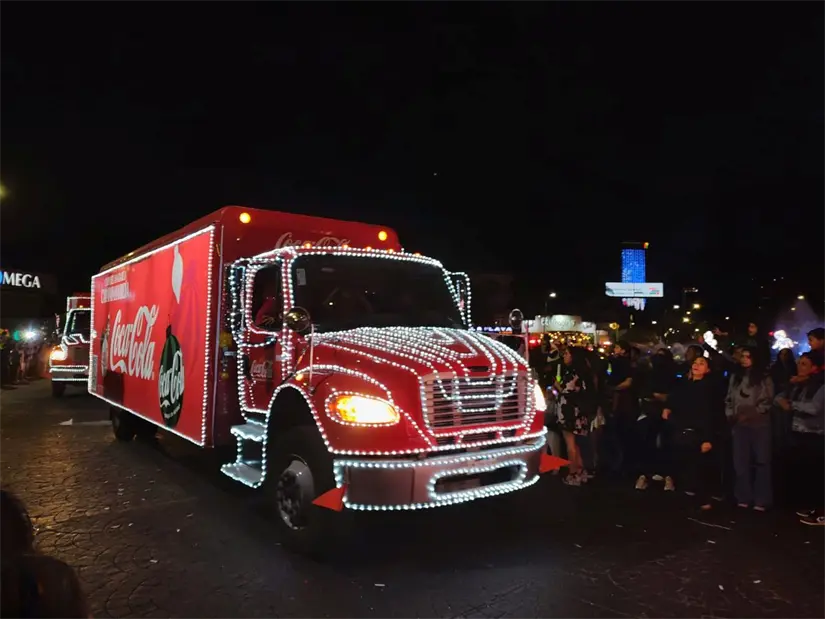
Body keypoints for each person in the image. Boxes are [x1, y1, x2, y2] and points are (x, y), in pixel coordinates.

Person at [662, 356, 726, 509]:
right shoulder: (684, 384)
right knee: (686, 464)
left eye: (701, 363)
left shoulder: (710, 388)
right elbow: (674, 400)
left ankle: (705, 498)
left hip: (701, 431)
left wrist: (708, 438)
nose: (697, 366)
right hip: (682, 429)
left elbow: (712, 414)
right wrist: (668, 409)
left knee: (702, 466)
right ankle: (688, 495)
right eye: (695, 363)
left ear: (708, 369)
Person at [774, 353, 825, 525]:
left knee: (819, 475)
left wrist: (792, 405)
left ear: (814, 368)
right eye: (799, 363)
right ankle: (812, 507)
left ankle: (821, 513)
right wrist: (787, 393)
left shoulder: (820, 386)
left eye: (804, 364)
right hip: (798, 433)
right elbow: (778, 397)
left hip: (816, 434)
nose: (799, 367)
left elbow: (815, 408)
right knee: (807, 474)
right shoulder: (798, 384)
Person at [726, 347, 774, 510]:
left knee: (762, 461)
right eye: (743, 356)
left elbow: (767, 400)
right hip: (739, 424)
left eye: (748, 356)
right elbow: (729, 398)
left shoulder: (763, 377)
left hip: (759, 424)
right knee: (740, 461)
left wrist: (753, 413)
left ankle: (761, 498)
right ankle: (743, 496)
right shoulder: (736, 377)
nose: (745, 359)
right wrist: (731, 414)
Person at [554, 347, 592, 486]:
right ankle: (582, 472)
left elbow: (565, 391)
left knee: (570, 444)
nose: (565, 356)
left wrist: (556, 387)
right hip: (580, 412)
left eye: (567, 354)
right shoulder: (585, 373)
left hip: (569, 412)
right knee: (577, 444)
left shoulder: (571, 374)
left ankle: (573, 473)